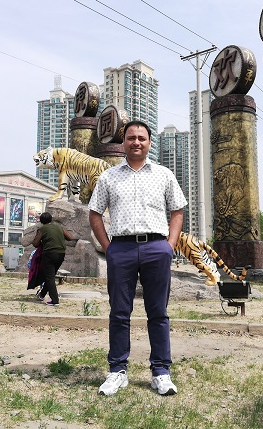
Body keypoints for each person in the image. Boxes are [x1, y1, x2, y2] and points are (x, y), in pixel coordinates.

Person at [88, 120, 187, 396]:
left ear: (149, 143)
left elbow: (177, 210)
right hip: (121, 249)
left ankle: (161, 372)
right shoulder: (109, 177)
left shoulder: (164, 174)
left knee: (158, 312)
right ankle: (117, 370)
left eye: (141, 138)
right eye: (131, 137)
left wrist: (170, 244)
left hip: (157, 247)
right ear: (123, 143)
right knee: (119, 312)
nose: (136, 142)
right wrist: (108, 247)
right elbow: (94, 213)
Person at [32, 212, 75, 306]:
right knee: (50, 276)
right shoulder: (59, 227)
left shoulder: (42, 229)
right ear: (51, 219)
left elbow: (35, 243)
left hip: (49, 254)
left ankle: (55, 300)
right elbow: (70, 237)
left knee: (49, 277)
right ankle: (42, 295)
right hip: (61, 254)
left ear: (41, 221)